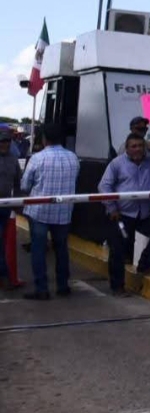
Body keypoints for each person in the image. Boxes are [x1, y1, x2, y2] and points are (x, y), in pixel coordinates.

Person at [99, 133, 150, 296]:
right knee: (118, 249)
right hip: (122, 214)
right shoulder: (117, 163)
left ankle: (145, 265)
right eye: (133, 146)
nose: (137, 149)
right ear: (127, 149)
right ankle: (117, 287)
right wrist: (112, 208)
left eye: (140, 146)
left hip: (143, 214)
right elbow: (104, 186)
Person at [20, 125, 78, 299]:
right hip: (63, 212)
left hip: (39, 211)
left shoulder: (37, 158)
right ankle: (62, 286)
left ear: (44, 138)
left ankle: (42, 289)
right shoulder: (73, 157)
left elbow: (25, 186)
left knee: (38, 249)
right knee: (61, 249)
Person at [0, 128, 20, 291]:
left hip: (5, 206)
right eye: (1, 141)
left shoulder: (13, 160)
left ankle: (5, 276)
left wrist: (18, 203)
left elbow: (18, 183)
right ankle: (5, 276)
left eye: (6, 141)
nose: (4, 144)